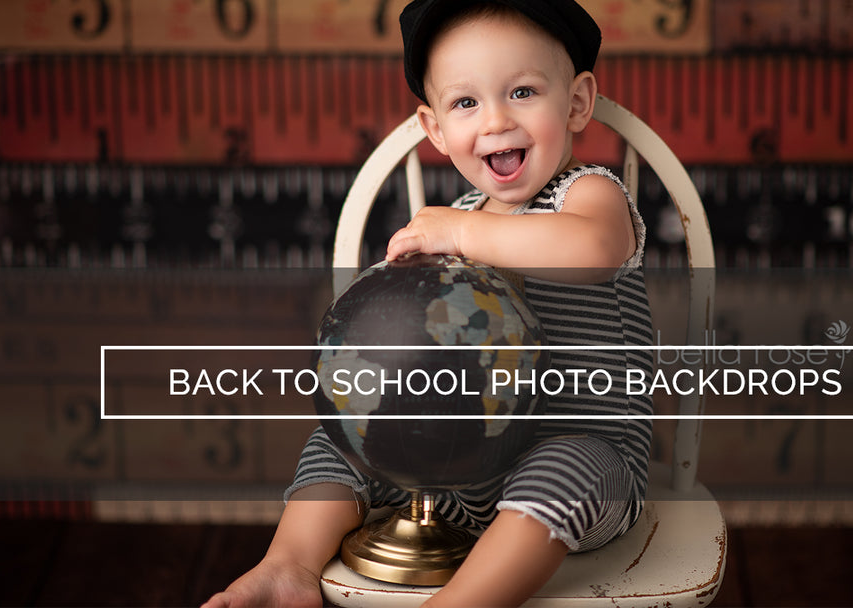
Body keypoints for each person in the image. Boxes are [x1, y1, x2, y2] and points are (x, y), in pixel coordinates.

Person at [203, 1, 653, 606]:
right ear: (435, 127)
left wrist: (457, 237)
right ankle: (288, 564)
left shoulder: (590, 196)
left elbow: (592, 249)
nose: (495, 120)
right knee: (338, 442)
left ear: (575, 103)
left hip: (584, 459)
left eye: (522, 91)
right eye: (466, 102)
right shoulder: (455, 221)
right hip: (452, 462)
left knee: (560, 474)